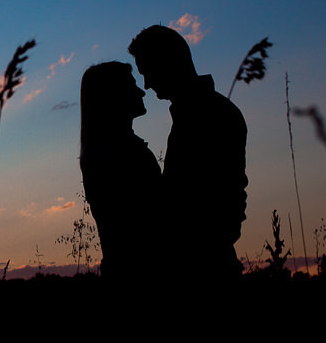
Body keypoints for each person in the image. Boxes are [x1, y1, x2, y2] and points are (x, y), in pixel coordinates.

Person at [128, 25, 248, 282]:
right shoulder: (195, 114)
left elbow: (226, 198)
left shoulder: (212, 115)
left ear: (169, 62)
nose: (147, 84)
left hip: (204, 269)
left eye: (148, 71)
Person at [79, 61, 163, 283]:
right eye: (131, 85)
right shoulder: (113, 154)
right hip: (138, 274)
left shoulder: (114, 149)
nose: (141, 91)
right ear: (112, 96)